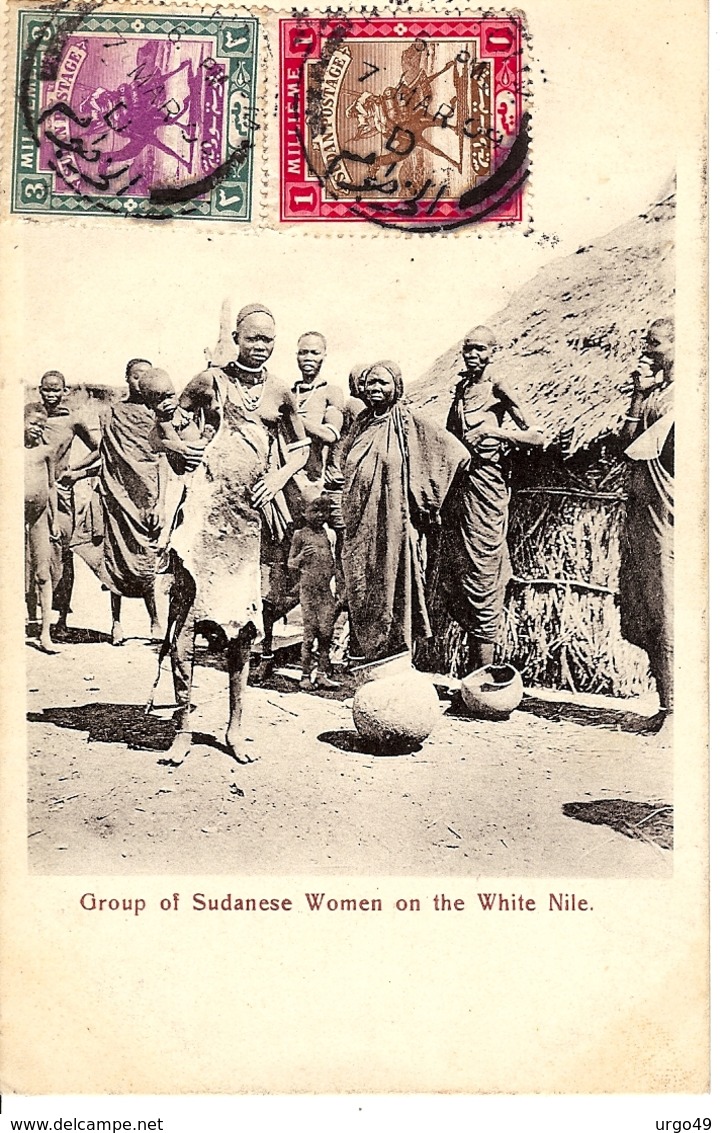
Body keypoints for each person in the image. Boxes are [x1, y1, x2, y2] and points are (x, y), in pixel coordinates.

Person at [152, 303, 310, 766]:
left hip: (244, 519)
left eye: (268, 340)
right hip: (202, 511)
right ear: (236, 338)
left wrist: (279, 477)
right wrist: (180, 450)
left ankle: (235, 727)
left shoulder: (281, 391)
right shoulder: (209, 381)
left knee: (240, 628)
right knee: (184, 618)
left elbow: (300, 450)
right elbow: (162, 430)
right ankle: (182, 727)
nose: (260, 347)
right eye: (252, 338)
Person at [341, 360, 468, 664]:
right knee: (360, 585)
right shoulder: (361, 423)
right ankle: (366, 655)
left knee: (394, 585)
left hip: (394, 524)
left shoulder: (409, 421)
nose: (375, 389)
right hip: (360, 526)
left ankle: (395, 660)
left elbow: (455, 453)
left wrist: (421, 500)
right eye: (370, 383)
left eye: (383, 383)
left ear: (397, 387)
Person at [441, 326, 546, 673]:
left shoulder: (499, 389)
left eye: (480, 349)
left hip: (488, 487)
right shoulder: (461, 390)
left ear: (493, 351)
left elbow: (537, 436)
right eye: (467, 348)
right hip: (461, 488)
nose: (472, 354)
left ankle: (482, 676)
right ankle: (472, 676)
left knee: (484, 570)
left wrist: (495, 432)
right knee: (461, 573)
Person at [70, 358, 165, 644]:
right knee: (114, 558)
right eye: (136, 376)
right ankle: (116, 624)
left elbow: (161, 459)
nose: (140, 381)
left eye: (146, 376)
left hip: (145, 497)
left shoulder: (158, 414)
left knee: (146, 559)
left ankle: (155, 621)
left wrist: (159, 502)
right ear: (127, 378)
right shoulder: (113, 412)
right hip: (116, 493)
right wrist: (76, 472)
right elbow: (104, 451)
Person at [618, 317, 674, 731]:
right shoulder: (654, 393)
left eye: (654, 342)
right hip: (644, 506)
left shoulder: (692, 394)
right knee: (648, 602)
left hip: (672, 509)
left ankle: (677, 711)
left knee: (670, 603)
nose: (647, 349)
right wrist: (639, 398)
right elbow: (627, 442)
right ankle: (665, 704)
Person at [33, 370, 98, 636]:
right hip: (33, 490)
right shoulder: (31, 416)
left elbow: (99, 449)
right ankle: (35, 617)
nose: (50, 395)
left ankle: (61, 622)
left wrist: (74, 471)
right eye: (46, 390)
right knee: (31, 554)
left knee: (62, 552)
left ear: (65, 391)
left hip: (60, 494)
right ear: (39, 390)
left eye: (55, 390)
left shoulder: (72, 419)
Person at [288, 496, 340, 691]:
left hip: (326, 590)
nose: (320, 516)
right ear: (304, 512)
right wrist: (301, 557)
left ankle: (321, 674)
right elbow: (290, 564)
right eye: (315, 511)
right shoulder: (299, 535)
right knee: (310, 634)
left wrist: (338, 587)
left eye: (324, 512)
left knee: (326, 634)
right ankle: (304, 675)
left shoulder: (330, 534)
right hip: (308, 590)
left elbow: (334, 561)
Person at [24, 404, 60, 654]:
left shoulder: (47, 451)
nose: (36, 429)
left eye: (41, 425)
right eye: (32, 423)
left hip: (39, 515)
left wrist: (55, 520)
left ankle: (45, 633)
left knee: (43, 573)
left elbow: (52, 486)